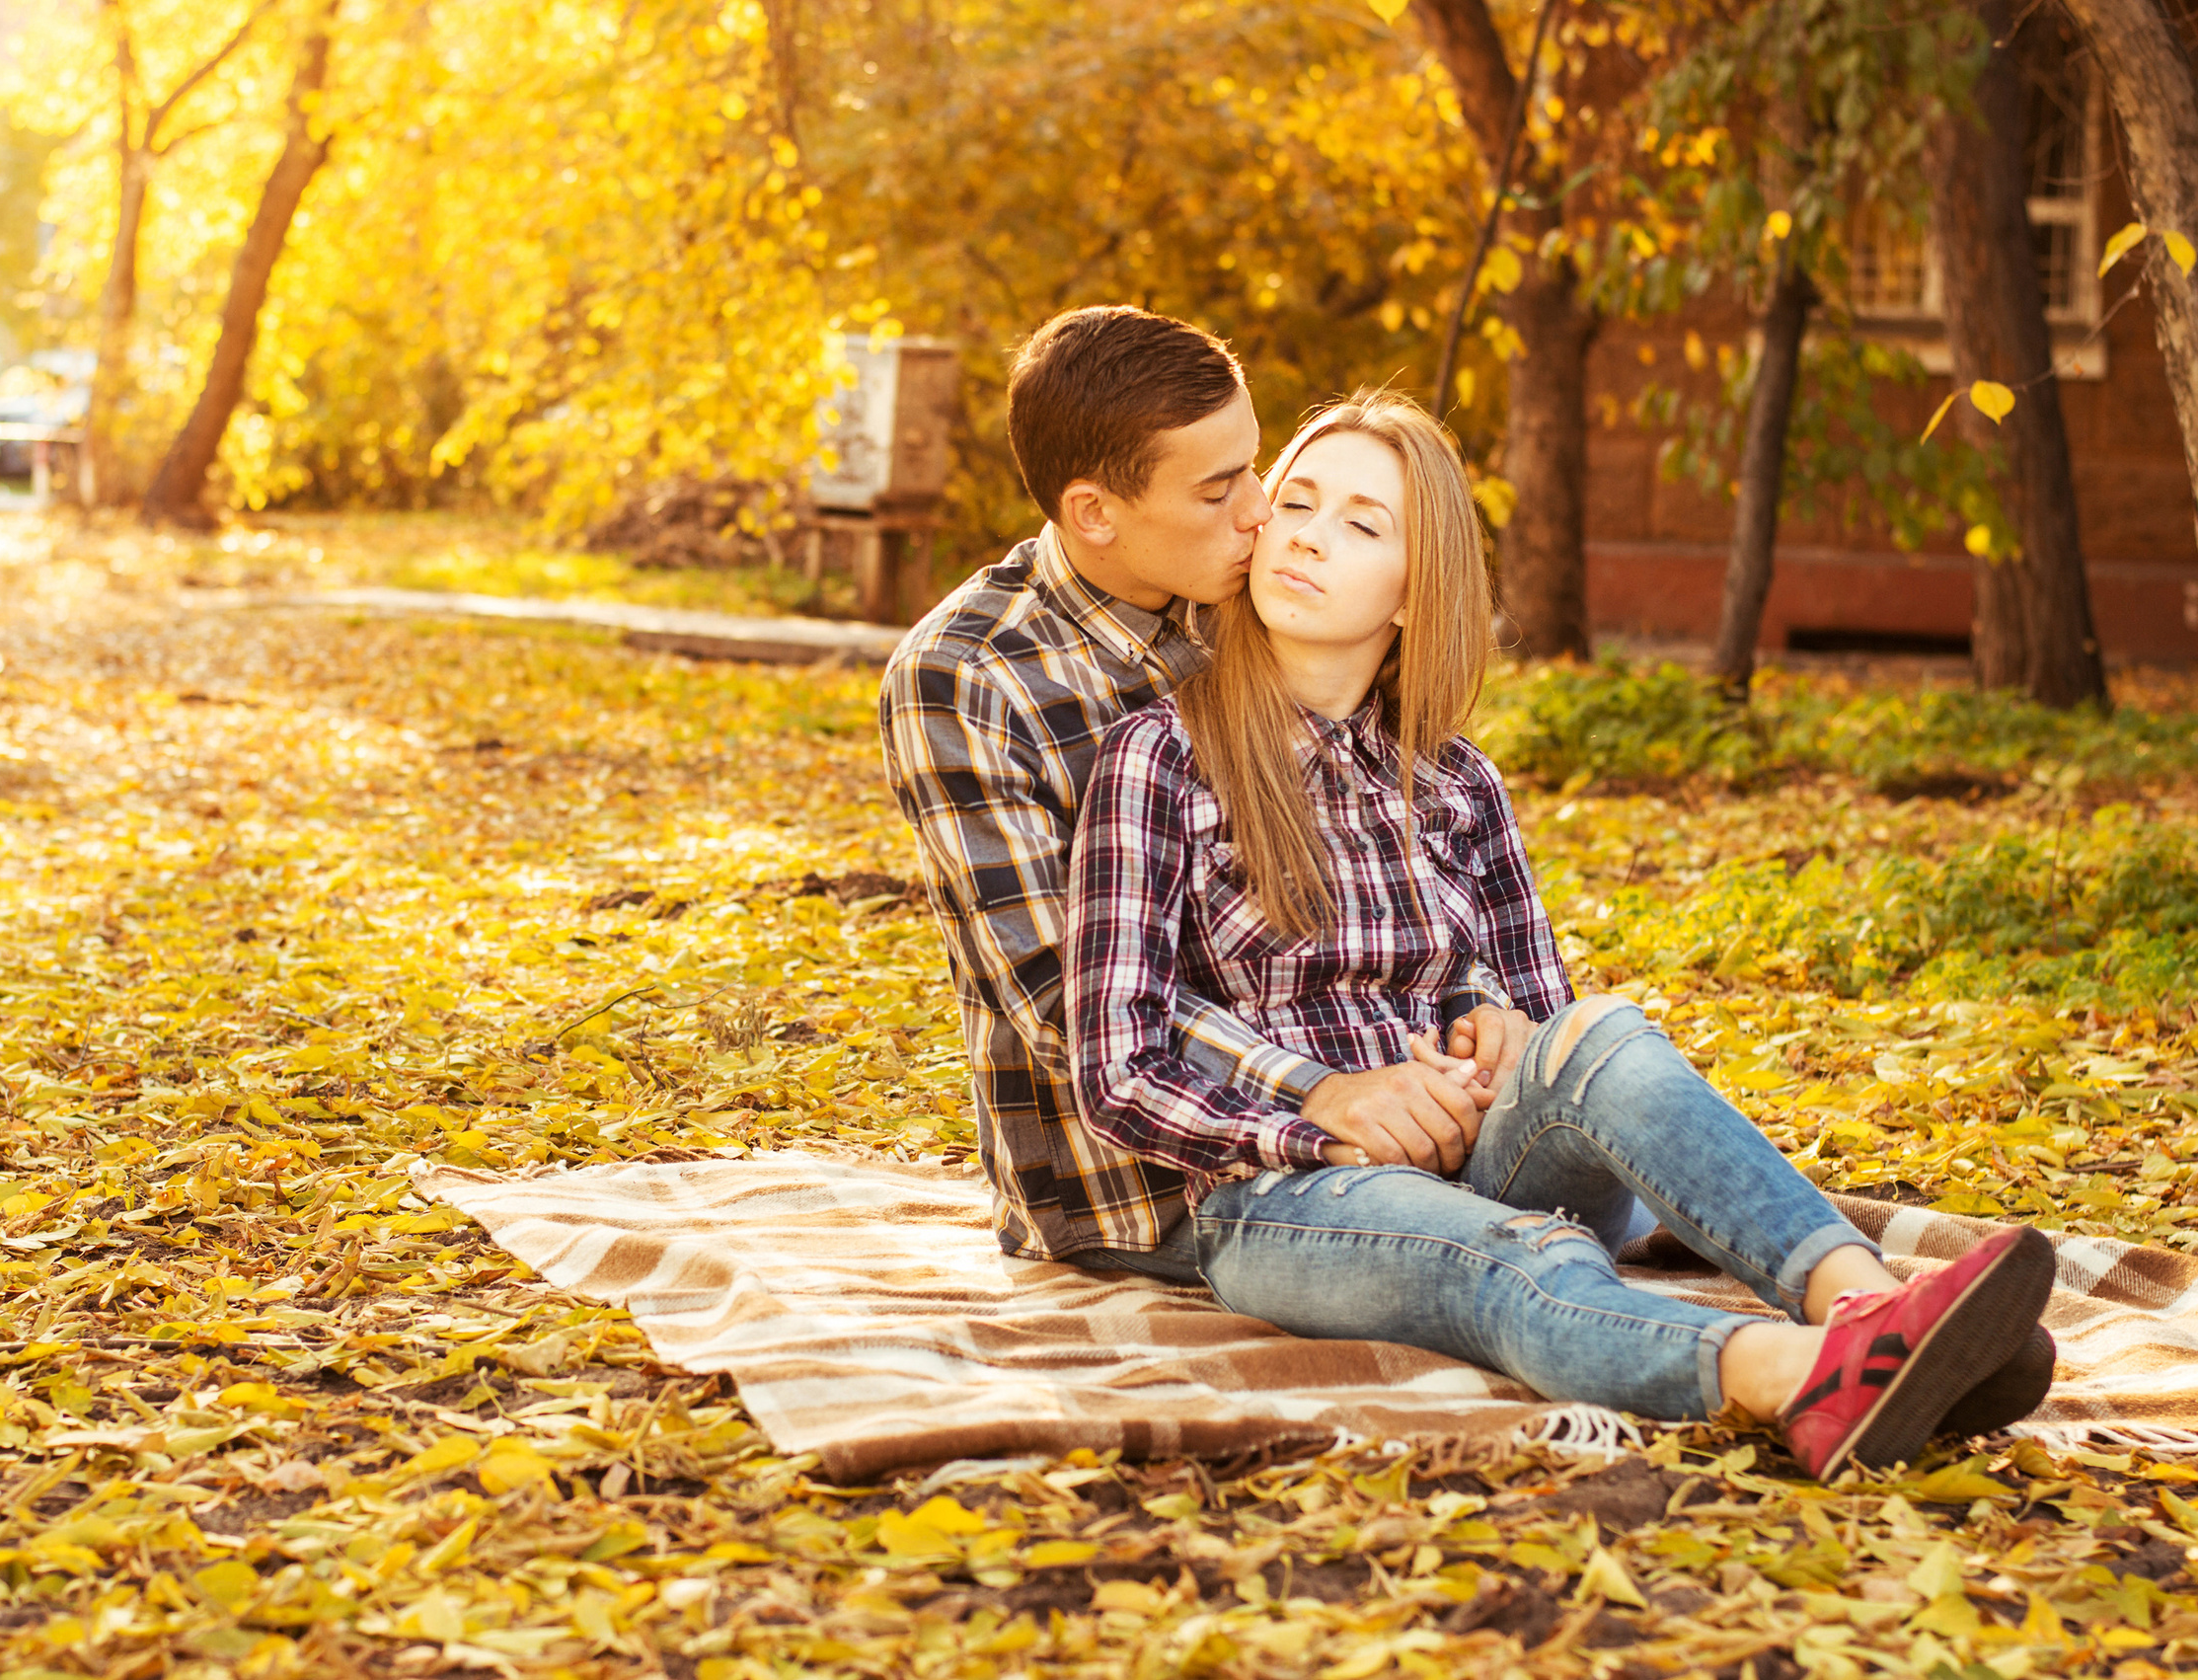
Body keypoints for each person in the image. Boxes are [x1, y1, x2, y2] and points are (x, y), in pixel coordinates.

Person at [1062, 389, 2057, 1480]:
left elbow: (1557, 1041)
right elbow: (1116, 1065)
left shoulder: (1456, 783)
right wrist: (1319, 1124)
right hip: (1288, 1201)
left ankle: (1868, 1305)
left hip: (1482, 1153)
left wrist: (1499, 1033)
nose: (1305, 534)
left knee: (1604, 1034)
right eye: (1295, 502)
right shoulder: (1160, 755)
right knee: (1517, 1252)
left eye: (1361, 522)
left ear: (1411, 590)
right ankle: (1799, 1377)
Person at [880, 306, 1521, 1283]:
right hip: (1139, 1186)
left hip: (1380, 1114)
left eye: (1257, 468)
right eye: (1221, 488)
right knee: (1523, 1259)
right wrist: (1322, 1093)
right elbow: (1065, 1001)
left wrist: (1456, 1041)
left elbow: (1404, 862)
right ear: (1096, 512)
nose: (1264, 512)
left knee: (1625, 1127)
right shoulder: (971, 679)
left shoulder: (1252, 596)